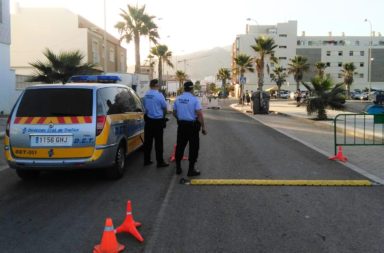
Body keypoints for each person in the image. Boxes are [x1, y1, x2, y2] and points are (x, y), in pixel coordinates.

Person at [173, 81, 207, 177]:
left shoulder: (178, 99)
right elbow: (200, 114)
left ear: (184, 88)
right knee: (193, 148)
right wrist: (203, 128)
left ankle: (178, 167)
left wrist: (179, 119)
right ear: (192, 89)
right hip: (192, 127)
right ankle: (191, 170)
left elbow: (174, 113)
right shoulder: (194, 100)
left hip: (182, 126)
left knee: (180, 146)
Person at [143, 79, 169, 168]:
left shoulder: (146, 95)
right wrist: (163, 117)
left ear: (150, 85)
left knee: (148, 142)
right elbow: (165, 108)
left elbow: (145, 108)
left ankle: (146, 160)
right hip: (158, 121)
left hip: (149, 121)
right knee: (158, 143)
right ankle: (160, 162)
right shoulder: (159, 95)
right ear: (157, 85)